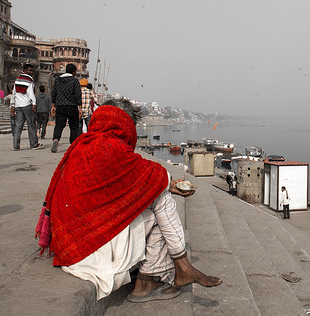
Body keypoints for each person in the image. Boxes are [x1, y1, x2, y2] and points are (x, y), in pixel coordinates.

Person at [35, 99, 222, 302]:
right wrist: (168, 184)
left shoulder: (83, 144)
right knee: (162, 200)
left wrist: (164, 183)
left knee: (156, 195)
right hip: (88, 250)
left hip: (71, 241)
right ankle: (157, 277)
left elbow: (140, 175)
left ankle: (171, 269)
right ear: (123, 123)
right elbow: (150, 174)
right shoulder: (110, 148)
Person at [10, 64, 44, 150]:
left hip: (18, 106)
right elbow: (31, 94)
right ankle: (34, 144)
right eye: (29, 70)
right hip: (27, 105)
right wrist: (34, 104)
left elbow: (14, 93)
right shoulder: (29, 81)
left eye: (32, 71)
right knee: (31, 125)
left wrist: (12, 105)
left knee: (18, 126)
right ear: (24, 70)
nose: (31, 72)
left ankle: (16, 146)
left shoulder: (17, 80)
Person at [51, 63, 82, 153]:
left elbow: (54, 93)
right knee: (74, 126)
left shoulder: (57, 81)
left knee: (59, 125)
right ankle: (72, 144)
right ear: (73, 72)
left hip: (60, 106)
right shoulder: (74, 81)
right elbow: (78, 95)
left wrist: (53, 106)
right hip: (72, 107)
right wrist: (80, 107)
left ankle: (56, 139)